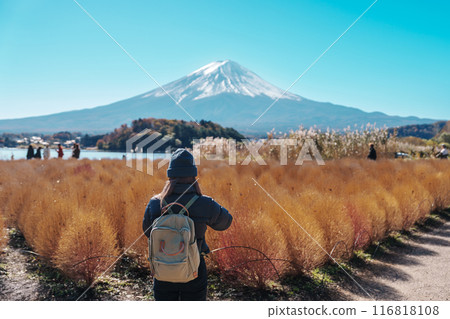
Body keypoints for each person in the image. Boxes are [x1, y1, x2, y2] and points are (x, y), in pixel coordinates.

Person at [142, 148, 233, 301]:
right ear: (193, 175)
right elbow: (226, 222)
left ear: (170, 175)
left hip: (163, 266)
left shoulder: (155, 203)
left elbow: (147, 231)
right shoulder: (204, 202)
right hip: (194, 268)